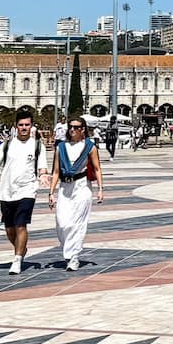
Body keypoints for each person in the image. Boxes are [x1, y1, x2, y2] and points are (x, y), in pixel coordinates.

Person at [0, 106, 50, 275]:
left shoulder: (38, 146)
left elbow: (42, 166)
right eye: (21, 125)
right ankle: (21, 248)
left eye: (27, 125)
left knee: (21, 225)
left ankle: (17, 259)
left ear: (31, 126)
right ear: (16, 126)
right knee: (9, 229)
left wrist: (43, 176)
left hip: (27, 190)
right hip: (6, 191)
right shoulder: (7, 145)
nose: (24, 128)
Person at [48, 114, 104, 271]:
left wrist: (100, 189)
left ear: (83, 129)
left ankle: (74, 257)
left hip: (82, 187)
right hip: (65, 188)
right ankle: (69, 249)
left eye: (76, 127)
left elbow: (97, 168)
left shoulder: (89, 147)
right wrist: (51, 193)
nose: (72, 130)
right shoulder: (61, 147)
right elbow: (56, 171)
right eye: (70, 127)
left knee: (77, 223)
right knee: (62, 223)